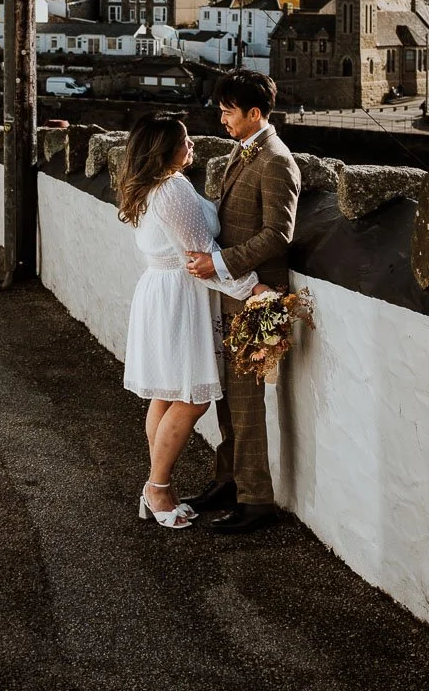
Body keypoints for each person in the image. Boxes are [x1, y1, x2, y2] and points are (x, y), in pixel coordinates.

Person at [117, 113, 270, 530]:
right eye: (185, 141)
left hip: (162, 292)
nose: (192, 146)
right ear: (165, 151)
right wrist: (254, 289)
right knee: (192, 396)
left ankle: (156, 486)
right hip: (178, 298)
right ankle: (157, 486)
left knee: (167, 394)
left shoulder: (155, 186)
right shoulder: (172, 191)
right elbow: (201, 256)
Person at [184, 70, 301, 535]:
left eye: (228, 110)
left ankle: (257, 502)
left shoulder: (276, 161)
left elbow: (278, 235)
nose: (221, 117)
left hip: (259, 299)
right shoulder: (244, 150)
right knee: (230, 402)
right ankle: (229, 481)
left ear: (255, 114)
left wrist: (221, 262)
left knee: (247, 403)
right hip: (236, 292)